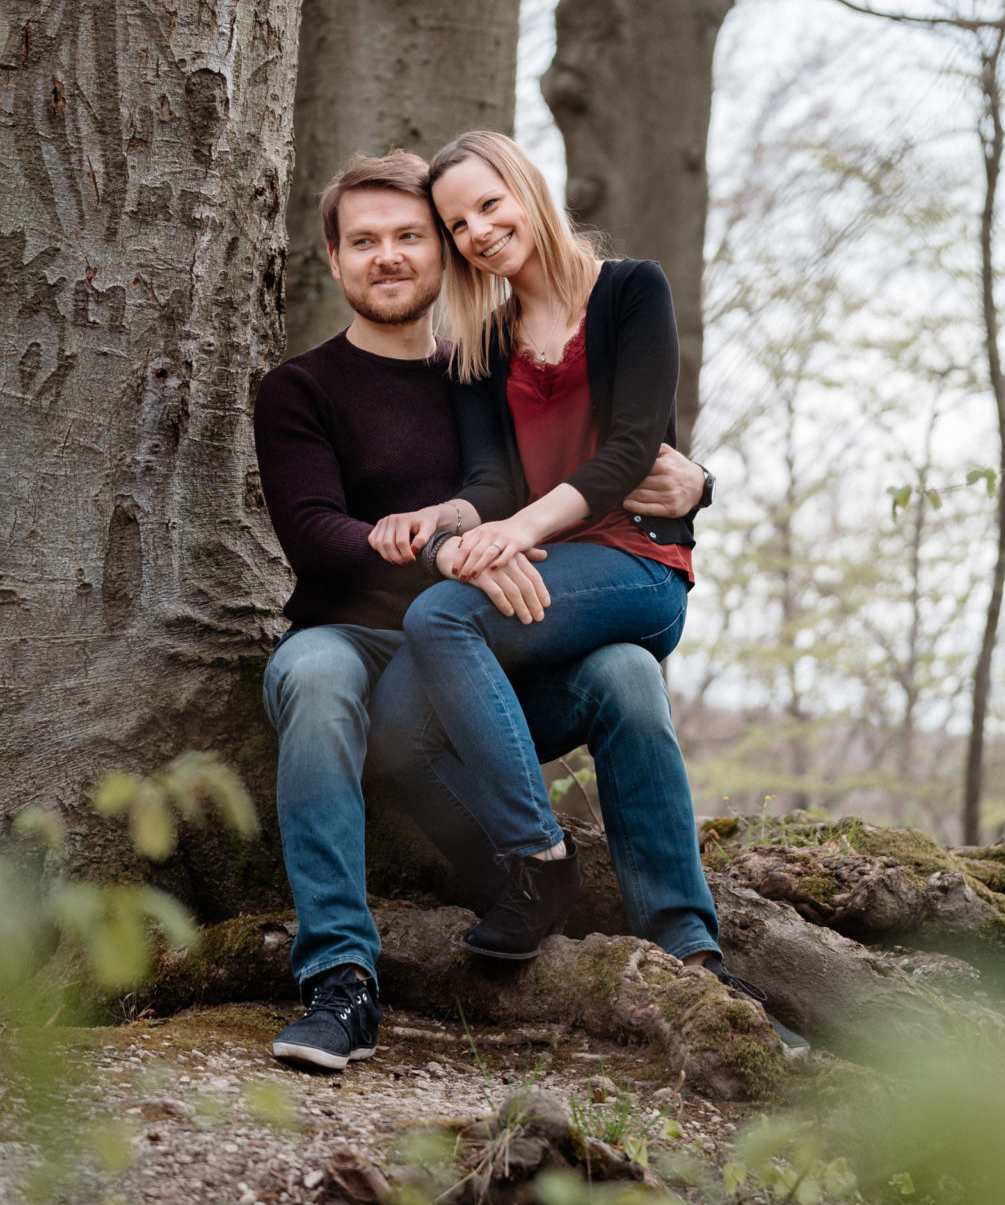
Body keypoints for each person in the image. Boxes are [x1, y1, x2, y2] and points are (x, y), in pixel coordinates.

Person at [251, 152, 771, 1075]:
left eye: (413, 234)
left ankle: (687, 954)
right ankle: (341, 977)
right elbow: (315, 531)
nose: (391, 256)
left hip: (483, 641)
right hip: (357, 634)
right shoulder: (300, 387)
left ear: (443, 253)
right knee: (322, 677)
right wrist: (454, 548)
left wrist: (693, 488)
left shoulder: (482, 361)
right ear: (333, 259)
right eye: (364, 241)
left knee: (625, 672)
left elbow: (563, 466)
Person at [382, 133, 784, 1039]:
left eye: (490, 205)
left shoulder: (632, 291)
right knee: (411, 719)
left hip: (637, 563)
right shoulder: (480, 344)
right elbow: (490, 479)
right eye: (458, 224)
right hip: (547, 582)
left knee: (442, 614)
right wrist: (463, 520)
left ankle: (549, 865)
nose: (479, 232)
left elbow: (634, 449)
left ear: (527, 188)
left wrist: (513, 534)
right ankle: (665, 939)